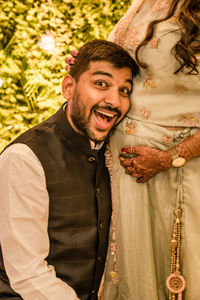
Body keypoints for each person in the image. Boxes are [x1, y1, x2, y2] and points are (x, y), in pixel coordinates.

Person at [0, 39, 139, 300]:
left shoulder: (114, 154)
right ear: (68, 87)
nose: (114, 100)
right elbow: (27, 273)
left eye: (124, 90)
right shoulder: (25, 158)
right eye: (101, 84)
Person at [102, 1, 200, 299]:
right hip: (126, 174)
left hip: (182, 172)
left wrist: (170, 158)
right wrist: (91, 67)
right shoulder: (146, 3)